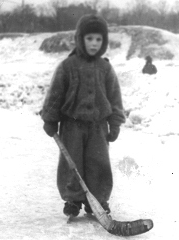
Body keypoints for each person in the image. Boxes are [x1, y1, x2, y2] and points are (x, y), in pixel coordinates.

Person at [40, 14, 125, 218]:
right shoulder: (67, 66)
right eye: (89, 39)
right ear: (80, 39)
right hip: (72, 125)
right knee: (73, 162)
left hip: (98, 125)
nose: (94, 44)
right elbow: (55, 94)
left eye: (98, 39)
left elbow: (114, 97)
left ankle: (97, 199)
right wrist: (50, 118)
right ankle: (73, 199)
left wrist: (115, 123)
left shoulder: (105, 68)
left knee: (99, 162)